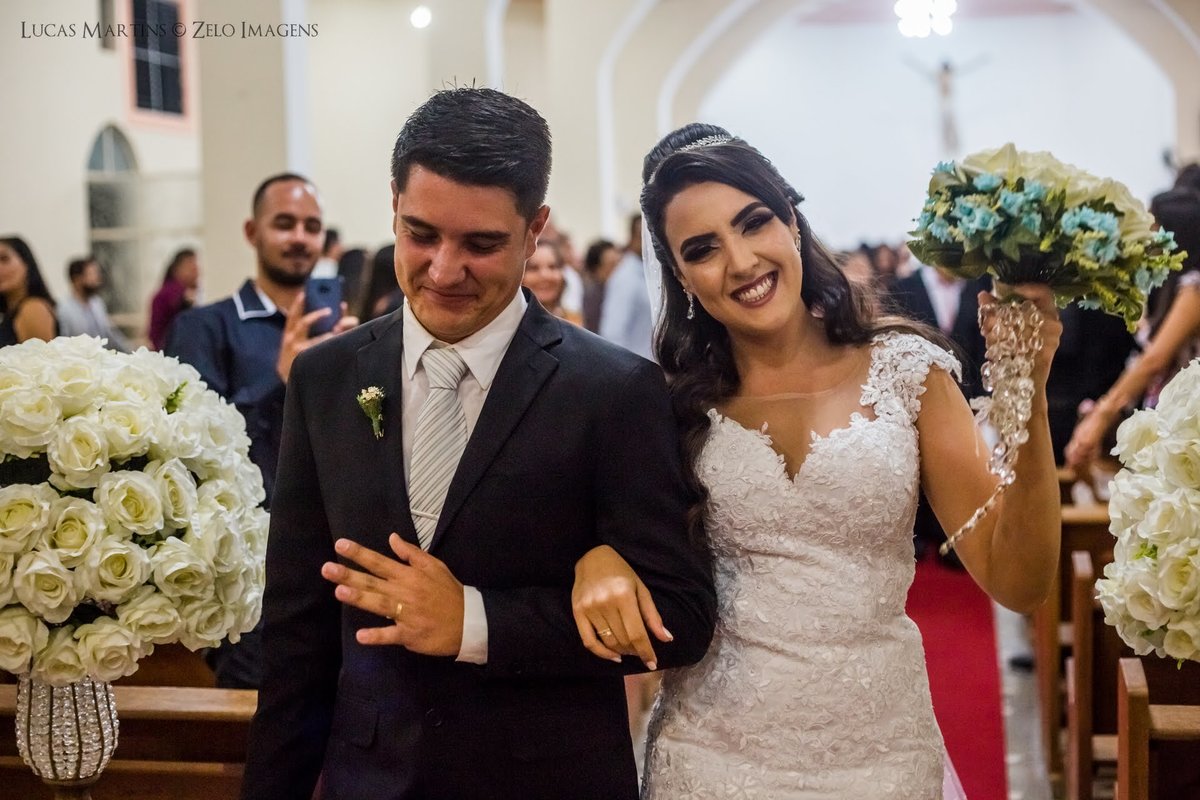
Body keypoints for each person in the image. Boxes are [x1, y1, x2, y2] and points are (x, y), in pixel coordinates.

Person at [240, 87, 717, 800]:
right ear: (393, 206)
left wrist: (475, 621)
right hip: (370, 777)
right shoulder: (326, 377)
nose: (442, 269)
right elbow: (297, 636)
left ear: (535, 230)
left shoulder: (614, 391)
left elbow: (679, 618)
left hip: (545, 778)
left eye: (482, 243)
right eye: (420, 233)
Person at [570, 124, 1063, 797]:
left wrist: (1028, 390)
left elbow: (1018, 580)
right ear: (680, 276)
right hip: (709, 759)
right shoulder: (665, 405)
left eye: (755, 223)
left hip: (880, 753)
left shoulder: (907, 373)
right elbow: (614, 537)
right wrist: (595, 554)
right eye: (703, 249)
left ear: (793, 224)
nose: (741, 261)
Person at [166, 173, 358, 688]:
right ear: (252, 232)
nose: (300, 237)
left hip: (340, 565)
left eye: (312, 226)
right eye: (284, 223)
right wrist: (284, 381)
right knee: (262, 729)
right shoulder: (205, 327)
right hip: (251, 573)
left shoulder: (350, 339)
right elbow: (192, 451)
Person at [1065, 186, 1200, 473]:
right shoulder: (1174, 288)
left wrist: (1102, 414)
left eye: (1156, 226)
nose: (1150, 236)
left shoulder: (1196, 287)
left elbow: (1154, 359)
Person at [600, 213, 654, 359]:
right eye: (644, 236)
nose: (649, 242)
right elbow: (613, 332)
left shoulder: (649, 272)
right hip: (636, 368)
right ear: (632, 238)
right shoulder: (625, 278)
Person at [56, 256, 133, 351]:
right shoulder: (64, 309)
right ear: (77, 279)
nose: (98, 278)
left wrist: (132, 352)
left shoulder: (97, 303)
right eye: (92, 274)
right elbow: (63, 343)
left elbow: (110, 334)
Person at [0, 236, 57, 346]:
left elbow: (40, 361)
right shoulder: (12, 312)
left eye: (4, 259)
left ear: (26, 263)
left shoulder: (32, 309)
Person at [148, 248, 200, 350]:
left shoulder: (172, 292)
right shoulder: (174, 294)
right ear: (177, 269)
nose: (197, 273)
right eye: (192, 268)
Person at [522, 239, 581, 324]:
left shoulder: (574, 322)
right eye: (534, 268)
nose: (545, 275)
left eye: (552, 267)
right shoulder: (508, 327)